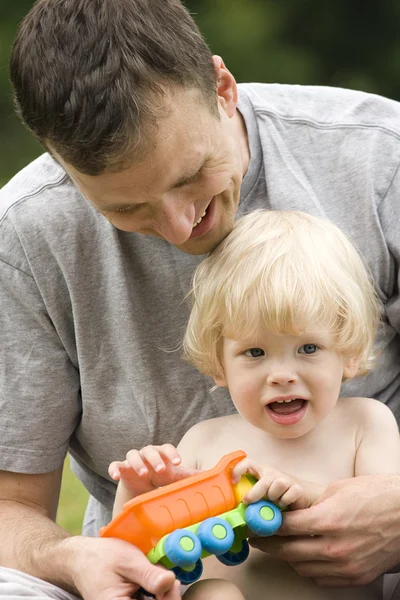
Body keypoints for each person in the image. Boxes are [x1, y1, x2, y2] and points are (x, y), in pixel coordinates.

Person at [1, 0, 400, 598]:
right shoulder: (27, 235)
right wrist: (74, 558)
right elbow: (12, 508)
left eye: (191, 175)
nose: (180, 227)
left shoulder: (379, 158)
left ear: (222, 87)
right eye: (126, 209)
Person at [108, 210, 400, 600]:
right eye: (255, 352)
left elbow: (380, 520)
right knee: (212, 594)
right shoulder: (203, 442)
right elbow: (133, 558)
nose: (281, 375)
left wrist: (297, 492)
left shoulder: (366, 424)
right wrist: (137, 493)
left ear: (347, 352)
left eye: (308, 348)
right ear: (219, 362)